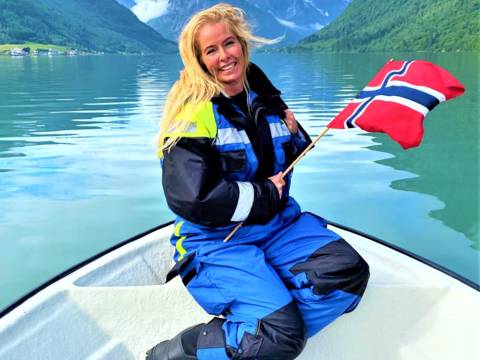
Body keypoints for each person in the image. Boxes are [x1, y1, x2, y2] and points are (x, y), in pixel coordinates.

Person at [147, 4, 369, 360]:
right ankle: (187, 349)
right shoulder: (192, 114)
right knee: (282, 336)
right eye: (211, 50)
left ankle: (259, 332)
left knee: (348, 276)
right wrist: (264, 192)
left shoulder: (265, 98)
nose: (224, 56)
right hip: (216, 241)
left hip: (278, 228)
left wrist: (298, 134)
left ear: (243, 45)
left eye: (229, 43)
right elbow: (193, 198)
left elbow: (283, 156)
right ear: (199, 60)